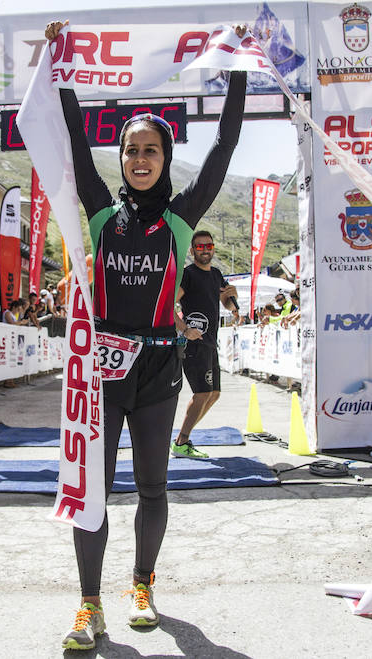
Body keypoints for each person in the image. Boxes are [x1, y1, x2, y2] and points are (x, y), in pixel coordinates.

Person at [47, 19, 246, 651]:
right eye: (131, 150)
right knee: (94, 492)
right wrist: (62, 71)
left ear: (164, 158)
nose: (139, 160)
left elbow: (223, 150)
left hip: (161, 372)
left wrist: (237, 68)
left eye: (150, 151)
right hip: (101, 373)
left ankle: (142, 584)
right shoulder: (103, 213)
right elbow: (77, 146)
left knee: (153, 488)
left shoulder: (184, 219)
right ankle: (87, 604)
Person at [172, 230, 239, 459]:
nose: (205, 250)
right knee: (202, 393)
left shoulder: (216, 274)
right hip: (195, 344)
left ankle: (183, 436)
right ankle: (182, 441)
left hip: (211, 342)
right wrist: (185, 329)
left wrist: (232, 295)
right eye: (200, 247)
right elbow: (167, 307)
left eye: (208, 246)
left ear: (213, 249)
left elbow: (229, 306)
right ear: (192, 251)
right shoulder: (188, 275)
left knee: (214, 394)